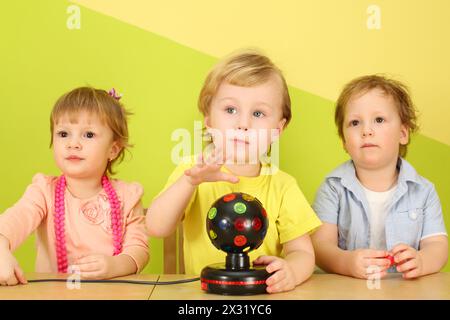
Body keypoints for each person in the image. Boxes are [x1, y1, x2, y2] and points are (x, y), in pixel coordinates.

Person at [146, 50, 322, 293]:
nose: (243, 124)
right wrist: (190, 183)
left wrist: (290, 271)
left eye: (258, 113)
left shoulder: (283, 186)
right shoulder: (192, 171)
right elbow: (156, 227)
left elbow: (302, 252)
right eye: (230, 110)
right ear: (208, 120)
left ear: (277, 130)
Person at [0, 87, 149, 286]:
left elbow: (139, 249)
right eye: (63, 134)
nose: (73, 144)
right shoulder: (43, 192)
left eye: (88, 135)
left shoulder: (128, 196)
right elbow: (16, 218)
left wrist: (114, 266)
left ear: (112, 150)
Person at [312, 75, 448, 279]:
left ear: (403, 134)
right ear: (344, 141)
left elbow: (437, 246)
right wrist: (346, 263)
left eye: (379, 120)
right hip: (349, 289)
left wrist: (422, 261)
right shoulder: (333, 187)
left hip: (405, 290)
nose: (367, 130)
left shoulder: (423, 191)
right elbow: (320, 246)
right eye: (355, 122)